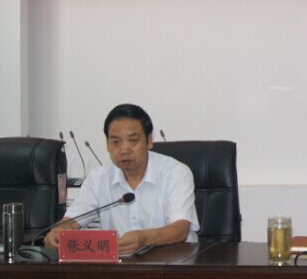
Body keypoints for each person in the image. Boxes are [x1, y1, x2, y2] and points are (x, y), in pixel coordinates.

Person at [44, 103, 199, 253]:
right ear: (107, 145)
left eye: (133, 141)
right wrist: (59, 231)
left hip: (172, 263)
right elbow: (73, 219)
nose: (124, 149)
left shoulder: (176, 173)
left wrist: (143, 238)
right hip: (119, 265)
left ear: (149, 141)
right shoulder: (98, 178)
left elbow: (181, 228)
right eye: (116, 142)